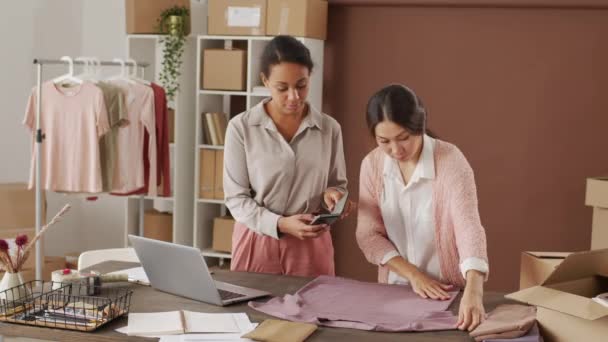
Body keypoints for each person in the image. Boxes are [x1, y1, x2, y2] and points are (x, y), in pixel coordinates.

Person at [356, 84, 489, 331]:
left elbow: (468, 228)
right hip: (394, 292)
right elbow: (368, 234)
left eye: (403, 138)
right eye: (384, 141)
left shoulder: (450, 161)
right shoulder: (372, 166)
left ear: (420, 126)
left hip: (447, 293)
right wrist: (414, 276)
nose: (395, 150)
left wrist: (474, 290)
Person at [224, 35, 348, 277]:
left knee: (312, 314)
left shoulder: (329, 129)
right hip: (257, 240)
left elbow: (337, 185)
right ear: (265, 81)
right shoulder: (241, 128)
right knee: (251, 312)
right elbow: (236, 199)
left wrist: (334, 197)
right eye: (283, 88)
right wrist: (279, 224)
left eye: (301, 85)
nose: (294, 96)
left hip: (310, 244)